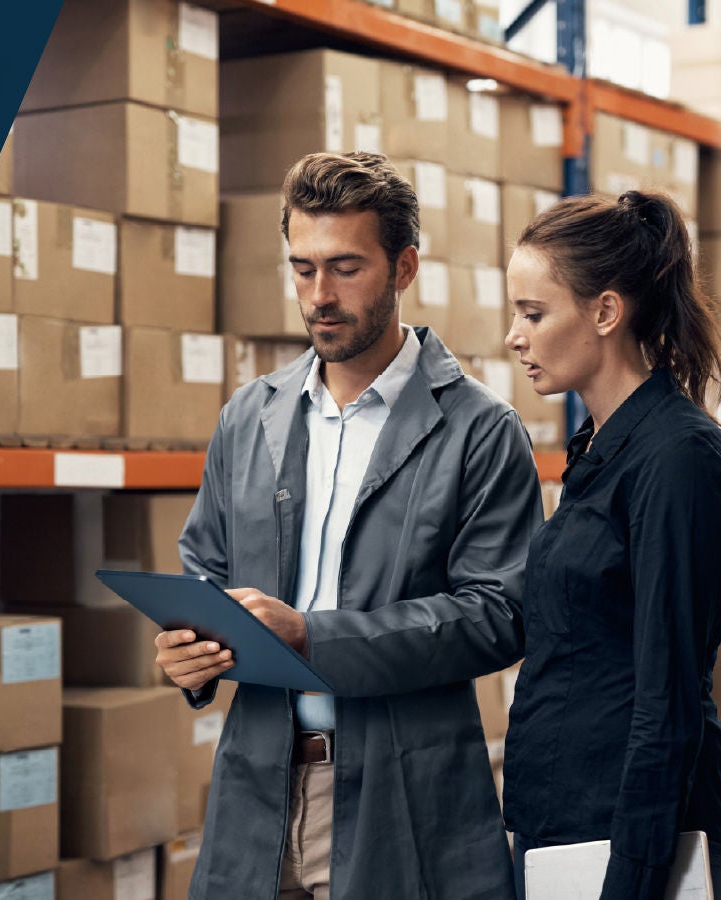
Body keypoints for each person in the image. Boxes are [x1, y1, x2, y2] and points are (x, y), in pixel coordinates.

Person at [153, 150, 543, 899]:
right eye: (302, 269)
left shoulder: (480, 430)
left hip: (402, 790)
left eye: (345, 268)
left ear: (404, 268)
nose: (319, 296)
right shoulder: (249, 416)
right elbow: (203, 569)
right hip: (259, 780)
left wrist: (313, 636)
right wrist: (188, 656)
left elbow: (503, 614)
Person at [500, 190, 721, 900]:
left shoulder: (677, 460)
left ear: (606, 312)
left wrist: (637, 881)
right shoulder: (600, 450)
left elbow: (670, 695)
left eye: (533, 314)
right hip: (566, 831)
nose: (514, 337)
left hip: (619, 851)